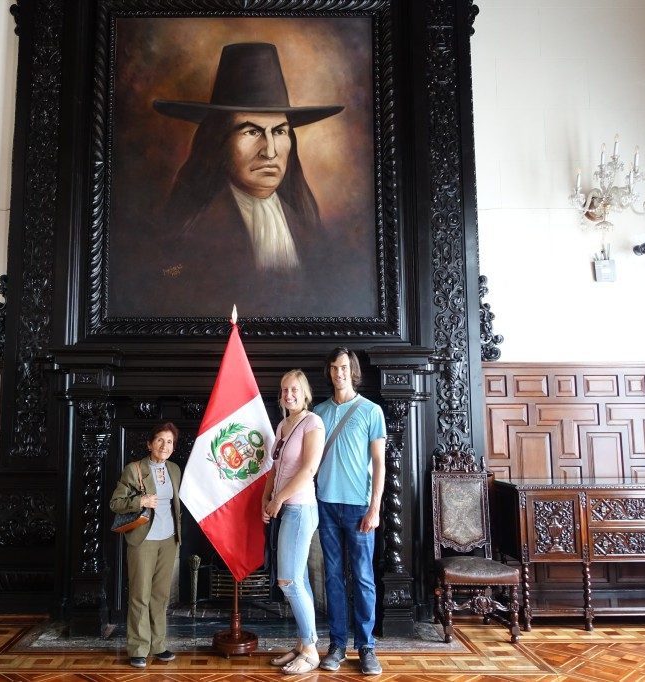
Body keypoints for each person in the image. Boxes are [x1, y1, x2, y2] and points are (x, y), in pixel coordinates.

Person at [149, 42, 345, 315]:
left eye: (279, 132)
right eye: (251, 132)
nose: (270, 151)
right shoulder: (193, 237)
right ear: (219, 142)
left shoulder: (312, 235)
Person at [313, 347, 386, 676]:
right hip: (326, 504)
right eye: (333, 367)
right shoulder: (318, 413)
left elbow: (380, 464)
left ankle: (367, 646)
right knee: (332, 578)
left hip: (359, 506)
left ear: (352, 371)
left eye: (343, 367)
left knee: (363, 577)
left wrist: (375, 506)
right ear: (328, 372)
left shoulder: (372, 411)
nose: (338, 373)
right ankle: (338, 644)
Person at [261, 370, 325, 675]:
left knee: (287, 580)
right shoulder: (283, 424)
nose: (289, 394)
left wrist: (278, 500)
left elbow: (308, 469)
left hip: (300, 509)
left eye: (295, 389)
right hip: (285, 508)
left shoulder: (312, 422)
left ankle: (311, 651)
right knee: (298, 579)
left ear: (305, 392)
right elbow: (274, 469)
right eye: (285, 389)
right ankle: (302, 642)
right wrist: (266, 499)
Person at [108, 422, 183, 669]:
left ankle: (158, 645)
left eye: (169, 441)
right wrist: (141, 500)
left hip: (169, 540)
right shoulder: (134, 469)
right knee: (140, 595)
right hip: (143, 541)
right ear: (150, 444)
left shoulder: (174, 469)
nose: (165, 445)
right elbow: (115, 503)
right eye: (160, 440)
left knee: (160, 597)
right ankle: (139, 648)